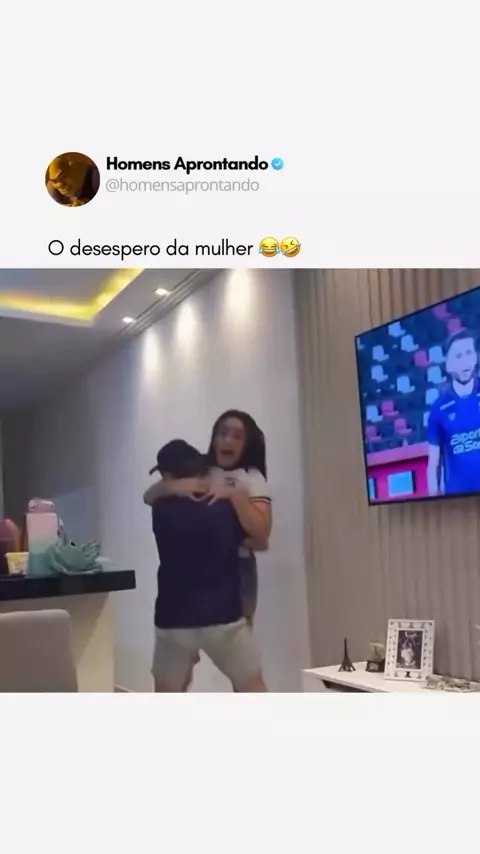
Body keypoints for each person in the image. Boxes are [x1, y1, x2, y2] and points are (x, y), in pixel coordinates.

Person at [149, 439, 266, 692]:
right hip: (224, 616)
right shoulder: (226, 504)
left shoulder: (160, 507)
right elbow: (259, 542)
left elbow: (152, 494)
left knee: (166, 694)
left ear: (167, 475)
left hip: (173, 618)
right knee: (253, 688)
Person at [143, 410, 272, 624]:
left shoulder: (252, 478)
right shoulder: (202, 469)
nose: (227, 440)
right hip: (199, 565)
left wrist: (234, 495)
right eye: (222, 433)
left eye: (237, 436)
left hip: (240, 565)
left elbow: (262, 533)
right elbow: (149, 496)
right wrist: (190, 484)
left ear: (247, 444)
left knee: (239, 629)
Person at [427, 330, 480, 496]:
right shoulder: (438, 409)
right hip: (458, 500)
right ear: (448, 365)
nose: (465, 361)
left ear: (476, 357)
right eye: (458, 356)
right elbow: (433, 464)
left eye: (469, 353)